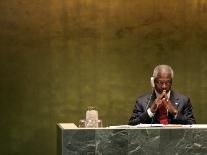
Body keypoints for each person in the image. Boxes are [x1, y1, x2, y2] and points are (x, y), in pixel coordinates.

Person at [128, 64, 196, 125]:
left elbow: (192, 124)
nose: (164, 86)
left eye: (168, 82)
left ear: (171, 82)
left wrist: (175, 112)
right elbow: (132, 124)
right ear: (153, 82)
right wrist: (150, 112)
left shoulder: (184, 100)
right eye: (160, 82)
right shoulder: (141, 101)